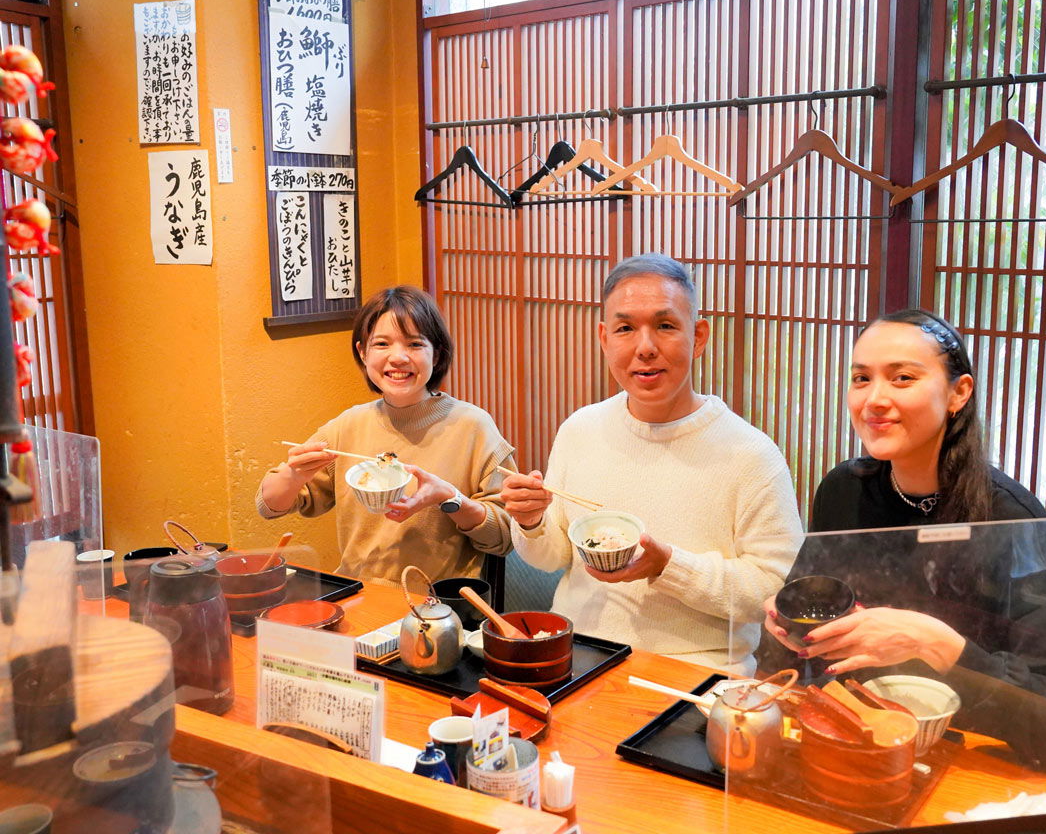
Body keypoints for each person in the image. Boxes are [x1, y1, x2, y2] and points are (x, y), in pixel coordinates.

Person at [757, 308, 1046, 770]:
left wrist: (936, 644)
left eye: (902, 378)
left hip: (966, 760)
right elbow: (804, 616)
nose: (874, 399)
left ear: (958, 393)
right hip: (849, 739)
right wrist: (785, 635)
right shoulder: (844, 490)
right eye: (861, 378)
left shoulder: (1011, 521)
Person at [500, 254, 802, 674]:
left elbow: (775, 590)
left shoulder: (750, 455)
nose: (645, 347)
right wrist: (532, 522)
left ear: (697, 337)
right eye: (626, 328)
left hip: (698, 673)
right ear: (605, 339)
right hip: (580, 656)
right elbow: (553, 558)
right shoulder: (580, 430)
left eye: (665, 325)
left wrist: (669, 565)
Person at [256, 286, 516, 586]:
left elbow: (505, 539)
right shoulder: (348, 426)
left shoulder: (473, 427)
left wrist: (450, 498)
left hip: (440, 606)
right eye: (382, 344)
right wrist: (293, 474)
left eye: (415, 344)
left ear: (437, 354)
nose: (398, 358)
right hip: (360, 597)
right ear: (363, 353)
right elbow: (268, 507)